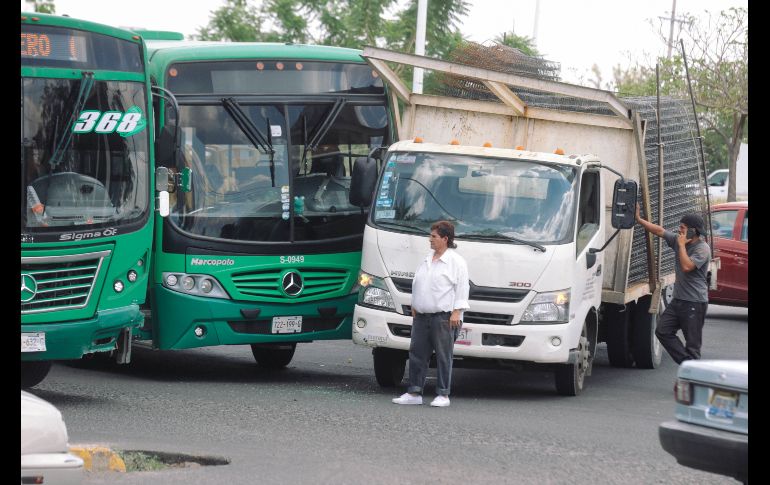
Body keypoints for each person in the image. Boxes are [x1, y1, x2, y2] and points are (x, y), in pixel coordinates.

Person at [392, 220, 470, 407]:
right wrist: (415, 304)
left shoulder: (456, 262)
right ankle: (414, 392)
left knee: (444, 356)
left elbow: (462, 288)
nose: (430, 240)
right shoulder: (428, 258)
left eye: (434, 236)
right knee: (417, 353)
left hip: (443, 317)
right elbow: (420, 282)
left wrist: (456, 312)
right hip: (422, 316)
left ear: (445, 238)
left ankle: (443, 394)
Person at [635, 205, 711, 364]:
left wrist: (682, 245)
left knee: (693, 346)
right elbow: (659, 231)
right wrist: (639, 219)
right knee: (662, 331)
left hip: (695, 303)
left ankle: (693, 378)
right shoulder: (678, 241)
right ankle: (687, 365)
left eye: (683, 228)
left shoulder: (702, 249)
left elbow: (687, 266)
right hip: (678, 300)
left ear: (693, 231)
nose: (679, 230)